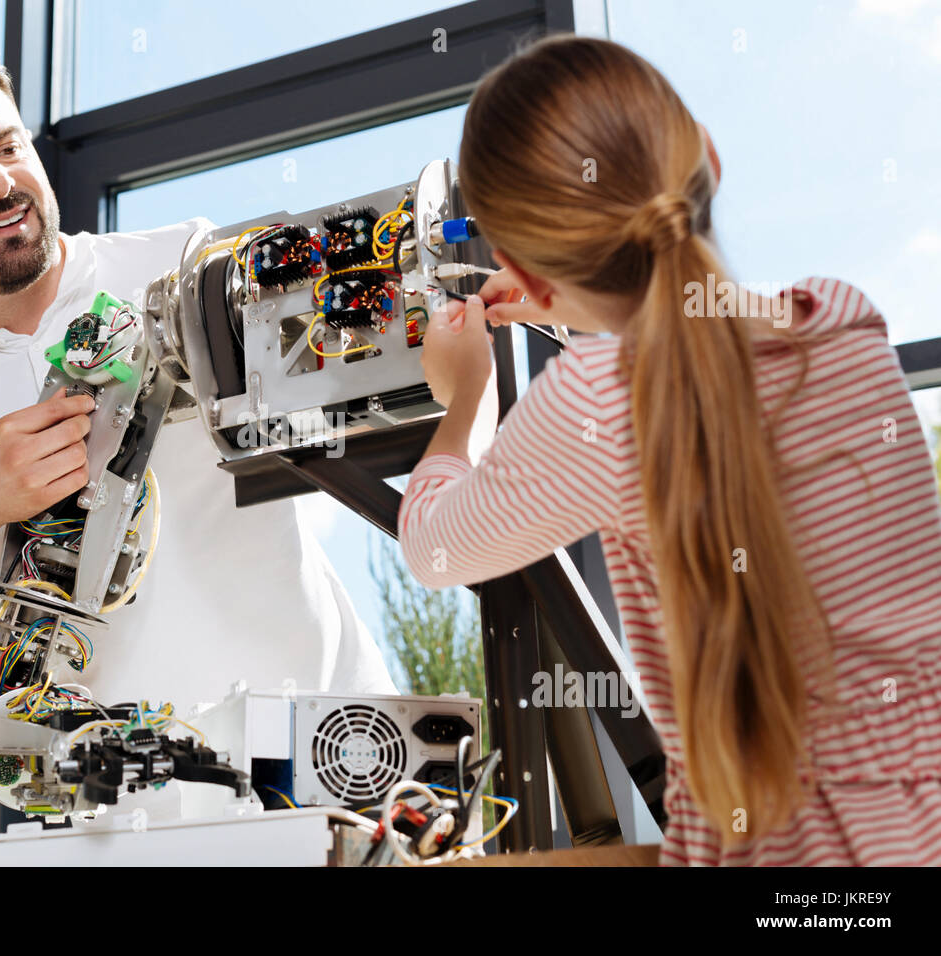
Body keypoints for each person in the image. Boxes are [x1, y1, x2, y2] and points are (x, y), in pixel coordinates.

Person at [400, 34, 941, 865]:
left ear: (528, 279)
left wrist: (465, 394)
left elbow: (435, 547)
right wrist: (579, 303)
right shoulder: (844, 320)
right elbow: (697, 347)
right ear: (710, 160)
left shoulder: (594, 397)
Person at [0, 42, 396, 719]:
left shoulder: (187, 261)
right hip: (111, 804)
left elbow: (381, 367)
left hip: (333, 741)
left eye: (7, 146)